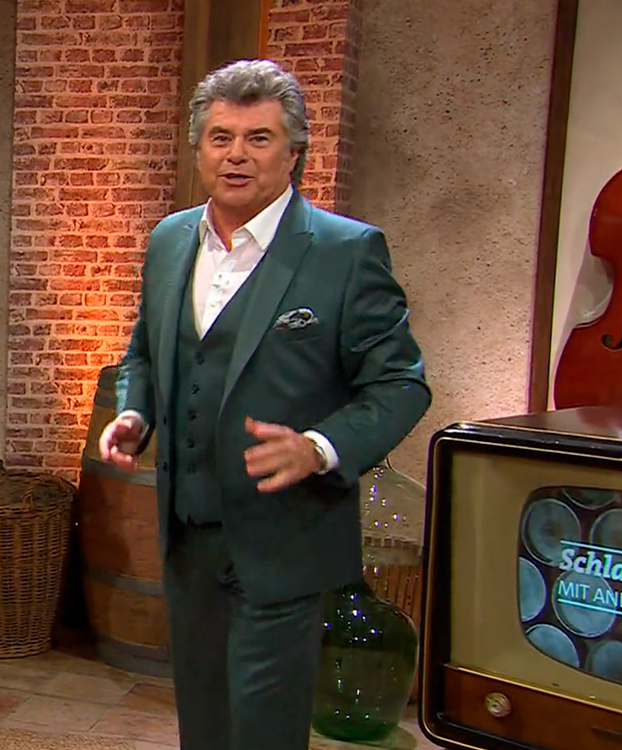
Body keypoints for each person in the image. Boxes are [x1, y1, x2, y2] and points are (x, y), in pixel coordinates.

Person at [97, 59, 431, 750]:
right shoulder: (169, 241)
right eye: (220, 138)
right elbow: (143, 355)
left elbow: (401, 383)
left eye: (258, 138)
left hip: (285, 540)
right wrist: (135, 412)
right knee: (204, 728)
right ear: (197, 149)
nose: (236, 155)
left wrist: (319, 447)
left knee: (263, 733)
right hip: (188, 537)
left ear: (293, 151)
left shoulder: (345, 251)